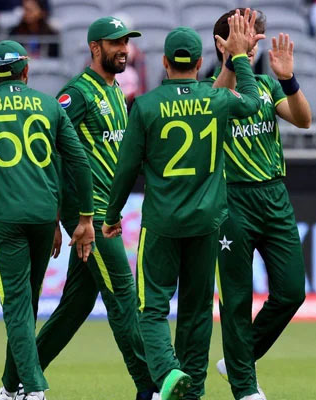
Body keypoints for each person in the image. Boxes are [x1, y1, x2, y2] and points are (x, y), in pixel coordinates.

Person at [101, 11, 263, 400]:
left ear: (164, 61)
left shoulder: (145, 106)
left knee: (152, 308)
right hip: (207, 221)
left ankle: (166, 372)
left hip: (162, 222)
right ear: (198, 61)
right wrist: (240, 57)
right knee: (197, 310)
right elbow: (253, 101)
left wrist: (111, 215)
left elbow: (126, 170)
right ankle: (193, 390)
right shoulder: (218, 98)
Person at [26, 16, 159, 400]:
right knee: (123, 294)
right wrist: (54, 216)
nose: (123, 49)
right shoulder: (77, 93)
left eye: (126, 42)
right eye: (115, 43)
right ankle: (149, 387)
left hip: (106, 213)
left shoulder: (116, 91)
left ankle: (19, 378)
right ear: (95, 48)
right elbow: (47, 150)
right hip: (87, 215)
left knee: (77, 305)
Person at [0, 39, 95, 400]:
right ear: (27, 70)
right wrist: (83, 216)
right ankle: (9, 386)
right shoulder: (50, 106)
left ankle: (34, 388)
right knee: (27, 303)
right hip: (44, 217)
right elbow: (78, 161)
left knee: (16, 305)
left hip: (4, 218)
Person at [207, 8, 311, 400]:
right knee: (236, 299)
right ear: (222, 43)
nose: (253, 45)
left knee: (292, 292)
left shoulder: (266, 85)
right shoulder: (210, 89)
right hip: (232, 200)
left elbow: (303, 119)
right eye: (244, 36)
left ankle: (238, 359)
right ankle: (245, 387)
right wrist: (234, 59)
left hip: (274, 195)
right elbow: (214, 104)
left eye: (255, 38)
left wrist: (288, 79)